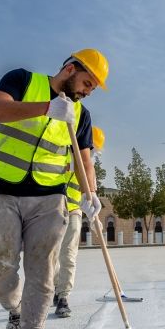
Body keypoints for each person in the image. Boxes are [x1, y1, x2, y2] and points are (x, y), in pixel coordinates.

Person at [0, 49, 106, 329]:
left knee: (43, 274)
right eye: (87, 82)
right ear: (70, 69)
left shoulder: (81, 114)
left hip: (49, 199)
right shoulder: (22, 80)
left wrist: (91, 194)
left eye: (93, 87)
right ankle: (15, 309)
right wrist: (47, 108)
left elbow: (84, 160)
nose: (88, 90)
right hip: (1, 190)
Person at [52, 126, 105, 318]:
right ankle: (57, 286)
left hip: (74, 211)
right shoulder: (62, 156)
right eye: (93, 149)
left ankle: (64, 297)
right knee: (49, 257)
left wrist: (94, 219)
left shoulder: (90, 168)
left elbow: (92, 199)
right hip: (51, 211)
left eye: (96, 152)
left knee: (68, 256)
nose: (94, 154)